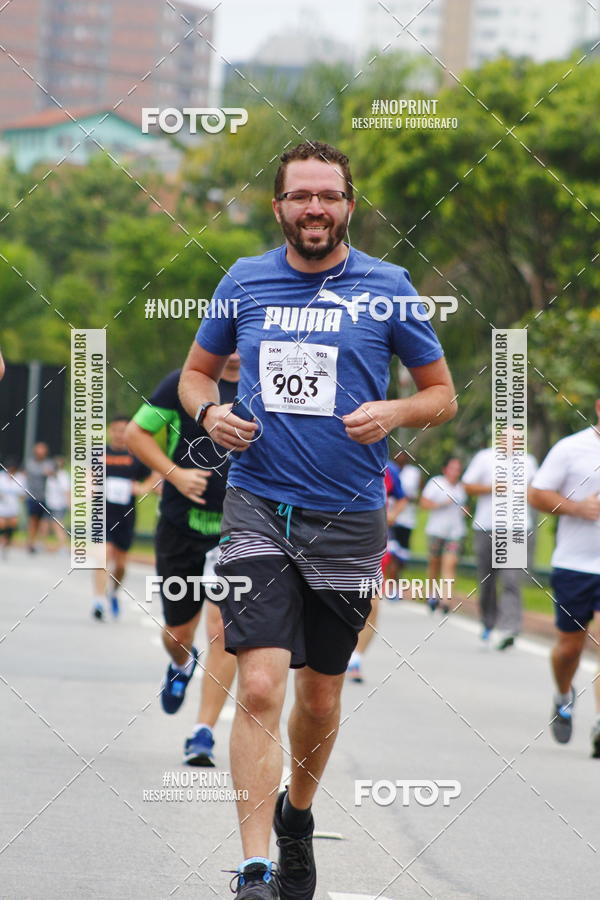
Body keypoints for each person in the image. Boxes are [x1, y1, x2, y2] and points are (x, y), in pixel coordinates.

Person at [178, 140, 457, 898]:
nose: (314, 209)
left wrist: (395, 410)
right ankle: (255, 866)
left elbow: (443, 395)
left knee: (322, 693)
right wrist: (211, 410)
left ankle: (297, 816)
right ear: (279, 207)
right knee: (262, 685)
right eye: (300, 196)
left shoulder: (389, 288)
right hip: (259, 505)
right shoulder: (245, 282)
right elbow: (198, 372)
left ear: (349, 205)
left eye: (327, 196)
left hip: (348, 517)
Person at [125, 357, 240, 766]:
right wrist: (174, 474)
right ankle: (181, 663)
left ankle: (202, 732)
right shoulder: (182, 383)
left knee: (223, 629)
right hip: (180, 527)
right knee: (177, 633)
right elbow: (137, 434)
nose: (235, 351)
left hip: (237, 529)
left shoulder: (264, 386)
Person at [528, 400, 600, 755]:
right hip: (575, 565)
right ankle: (562, 695)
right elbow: (536, 493)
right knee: (569, 649)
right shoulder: (571, 448)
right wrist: (576, 507)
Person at [463, 442, 538, 650]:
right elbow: (467, 485)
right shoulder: (485, 457)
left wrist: (530, 495)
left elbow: (537, 490)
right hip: (487, 526)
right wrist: (492, 487)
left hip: (516, 528)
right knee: (487, 580)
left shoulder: (529, 461)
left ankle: (510, 628)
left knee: (511, 579)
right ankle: (488, 622)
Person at [347, 460, 407, 683]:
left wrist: (393, 515)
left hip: (375, 542)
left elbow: (402, 498)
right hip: (334, 539)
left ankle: (356, 658)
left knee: (371, 602)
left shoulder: (388, 469)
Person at [92, 415, 152, 620]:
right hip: (102, 513)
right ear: (110, 431)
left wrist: (142, 487)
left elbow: (155, 474)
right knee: (104, 555)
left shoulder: (136, 455)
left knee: (121, 564)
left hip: (126, 515)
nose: (118, 434)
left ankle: (114, 592)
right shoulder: (100, 454)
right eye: (115, 430)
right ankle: (98, 601)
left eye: (123, 430)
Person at [420, 457, 467, 614]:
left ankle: (446, 600)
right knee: (434, 563)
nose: (455, 472)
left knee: (450, 563)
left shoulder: (461, 488)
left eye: (458, 469)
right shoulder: (436, 483)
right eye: (452, 468)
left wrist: (465, 510)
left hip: (455, 533)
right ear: (445, 469)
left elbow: (464, 506)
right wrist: (441, 504)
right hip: (436, 531)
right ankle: (432, 594)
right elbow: (424, 503)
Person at [389, 449, 421, 569]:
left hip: (407, 518)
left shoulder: (413, 473)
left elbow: (418, 495)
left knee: (402, 552)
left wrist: (406, 498)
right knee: (390, 549)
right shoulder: (389, 469)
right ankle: (389, 580)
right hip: (390, 517)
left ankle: (397, 578)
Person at [24, 442, 53, 553]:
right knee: (33, 520)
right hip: (32, 496)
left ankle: (38, 542)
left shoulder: (48, 462)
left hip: (45, 497)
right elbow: (36, 472)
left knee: (42, 521)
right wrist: (44, 472)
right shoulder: (30, 463)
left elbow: (52, 471)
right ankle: (30, 542)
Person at [0, 460, 25, 557]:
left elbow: (22, 495)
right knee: (2, 524)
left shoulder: (20, 478)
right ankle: (2, 542)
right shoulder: (1, 477)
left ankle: (6, 544)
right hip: (2, 507)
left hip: (13, 508)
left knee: (12, 526)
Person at [45, 457, 70, 552]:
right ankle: (44, 545)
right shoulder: (51, 476)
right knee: (45, 525)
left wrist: (69, 504)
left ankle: (64, 547)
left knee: (58, 526)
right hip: (50, 504)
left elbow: (67, 491)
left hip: (59, 505)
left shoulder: (63, 476)